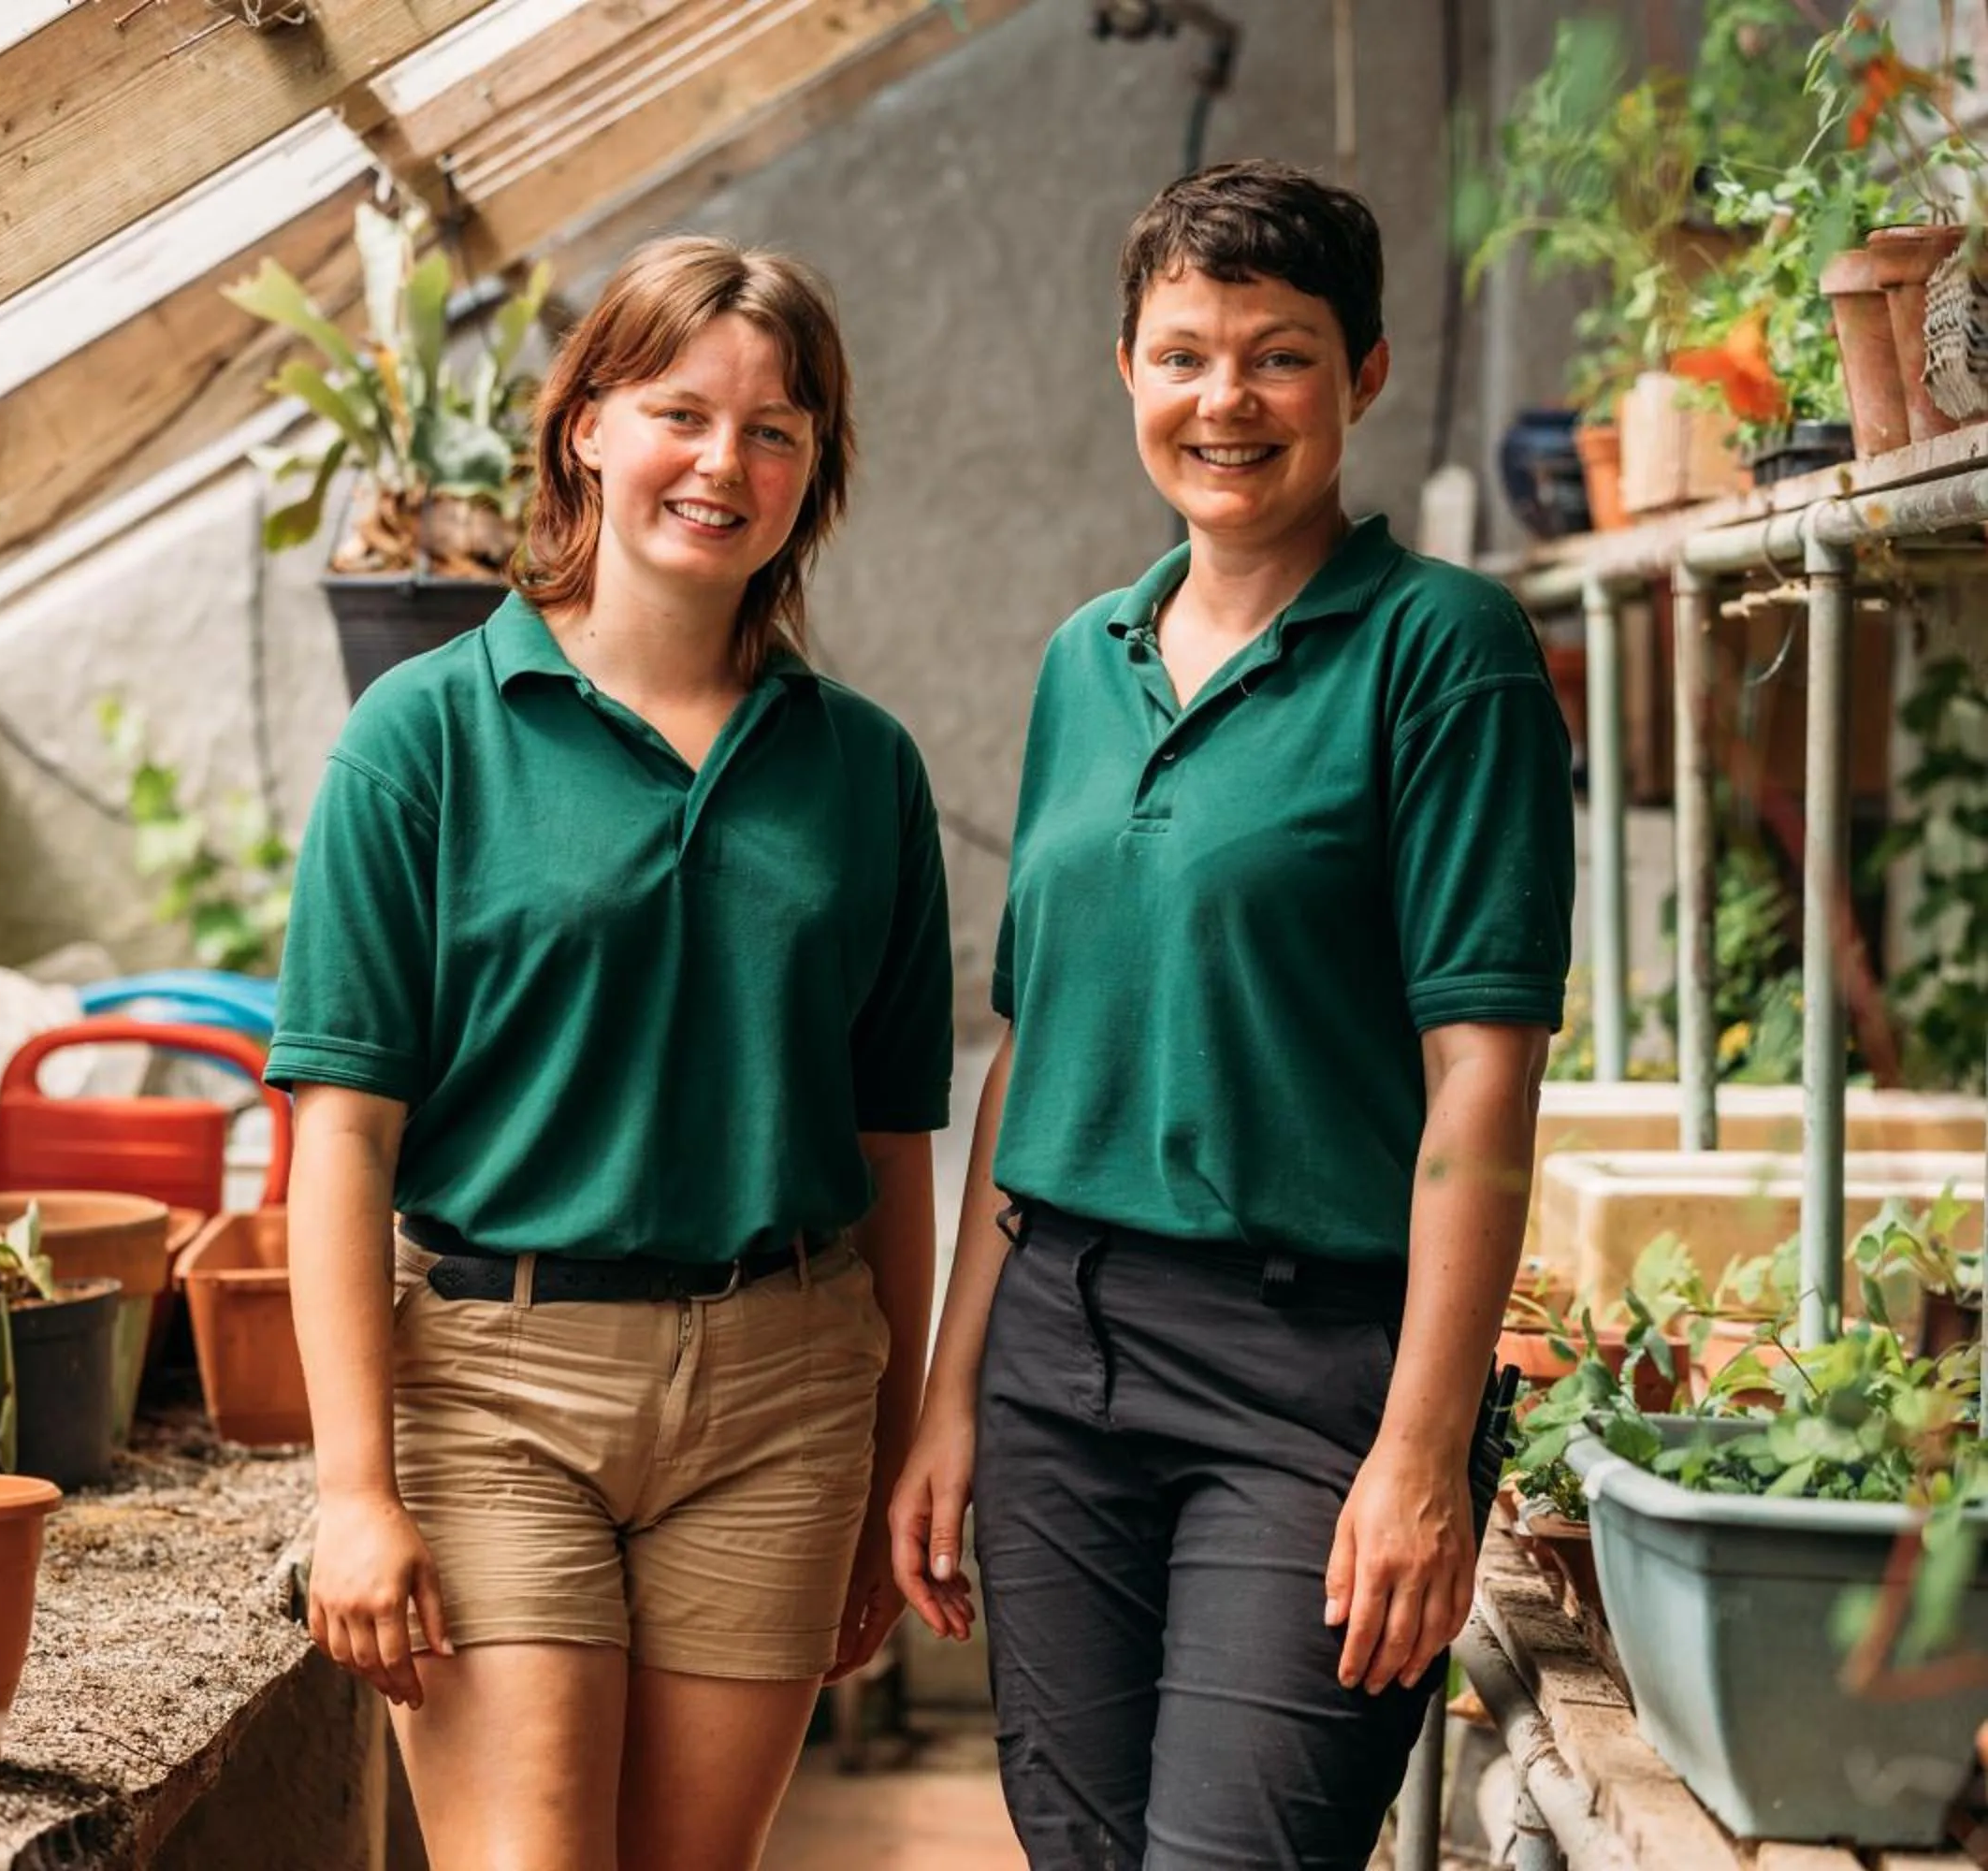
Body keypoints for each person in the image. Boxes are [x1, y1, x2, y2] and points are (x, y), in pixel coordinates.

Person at [888, 159, 1575, 1869]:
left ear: (1366, 376)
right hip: (1062, 1357)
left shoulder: (1445, 651)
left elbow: (1483, 1086)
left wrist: (1422, 1451)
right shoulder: (1081, 658)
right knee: (1081, 1851)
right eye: (1185, 352)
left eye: (1278, 355)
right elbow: (1034, 1050)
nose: (1227, 400)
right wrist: (954, 1394)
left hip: (1312, 1372)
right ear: (1128, 368)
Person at [269, 234, 955, 1871]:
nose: (725, 463)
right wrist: (353, 1492)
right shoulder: (424, 734)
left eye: (776, 430)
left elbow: (890, 1154)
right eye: (680, 412)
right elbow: (342, 1141)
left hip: (785, 1390)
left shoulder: (863, 769)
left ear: (815, 473)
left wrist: (885, 1457)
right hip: (499, 1387)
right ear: (587, 425)